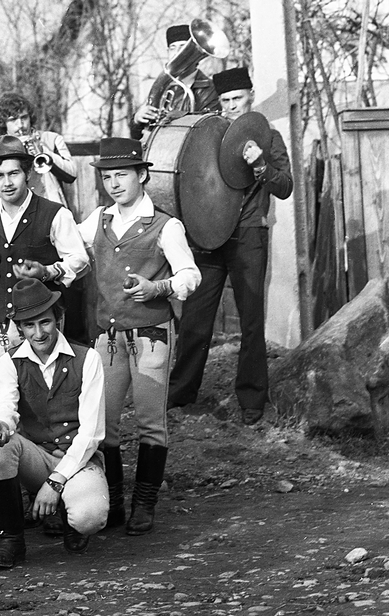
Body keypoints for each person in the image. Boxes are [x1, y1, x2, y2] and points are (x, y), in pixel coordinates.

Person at [79, 137, 201, 536]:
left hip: (151, 334)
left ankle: (144, 505)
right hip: (109, 336)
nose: (114, 184)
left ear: (142, 175)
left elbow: (190, 275)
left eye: (122, 175)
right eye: (107, 177)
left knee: (150, 421)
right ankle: (113, 503)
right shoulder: (98, 220)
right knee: (103, 422)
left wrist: (158, 288)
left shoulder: (166, 225)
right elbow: (71, 252)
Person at [168, 66, 293, 426]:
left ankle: (252, 399)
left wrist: (260, 165)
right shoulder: (211, 133)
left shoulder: (268, 137)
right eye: (225, 100)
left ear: (251, 97)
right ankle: (180, 392)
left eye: (237, 98)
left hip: (248, 235)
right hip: (209, 236)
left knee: (251, 320)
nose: (232, 106)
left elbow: (285, 186)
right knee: (195, 318)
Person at [0, 279, 108, 568]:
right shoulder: (10, 362)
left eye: (45, 322)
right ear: (19, 328)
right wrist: (1, 424)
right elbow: (5, 406)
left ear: (58, 318)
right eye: (29, 325)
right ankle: (11, 539)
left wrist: (55, 481)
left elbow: (91, 433)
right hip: (36, 456)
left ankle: (71, 517)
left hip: (78, 459)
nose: (38, 333)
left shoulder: (87, 359)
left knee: (90, 518)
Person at [0, 135, 90, 362]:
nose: (7, 183)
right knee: (5, 382)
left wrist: (47, 271)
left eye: (14, 173)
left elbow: (80, 261)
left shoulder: (55, 213)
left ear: (28, 173)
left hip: (43, 324)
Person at [130, 23, 221, 140]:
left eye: (183, 46)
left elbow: (205, 131)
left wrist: (159, 133)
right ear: (168, 52)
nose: (178, 52)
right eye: (172, 47)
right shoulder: (161, 86)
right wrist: (137, 121)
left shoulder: (210, 88)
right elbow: (138, 137)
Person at [0, 92, 77, 209]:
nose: (20, 125)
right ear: (3, 123)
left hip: (51, 207)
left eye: (24, 118)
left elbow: (71, 174)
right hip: (18, 210)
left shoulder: (52, 139)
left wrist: (43, 151)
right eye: (13, 120)